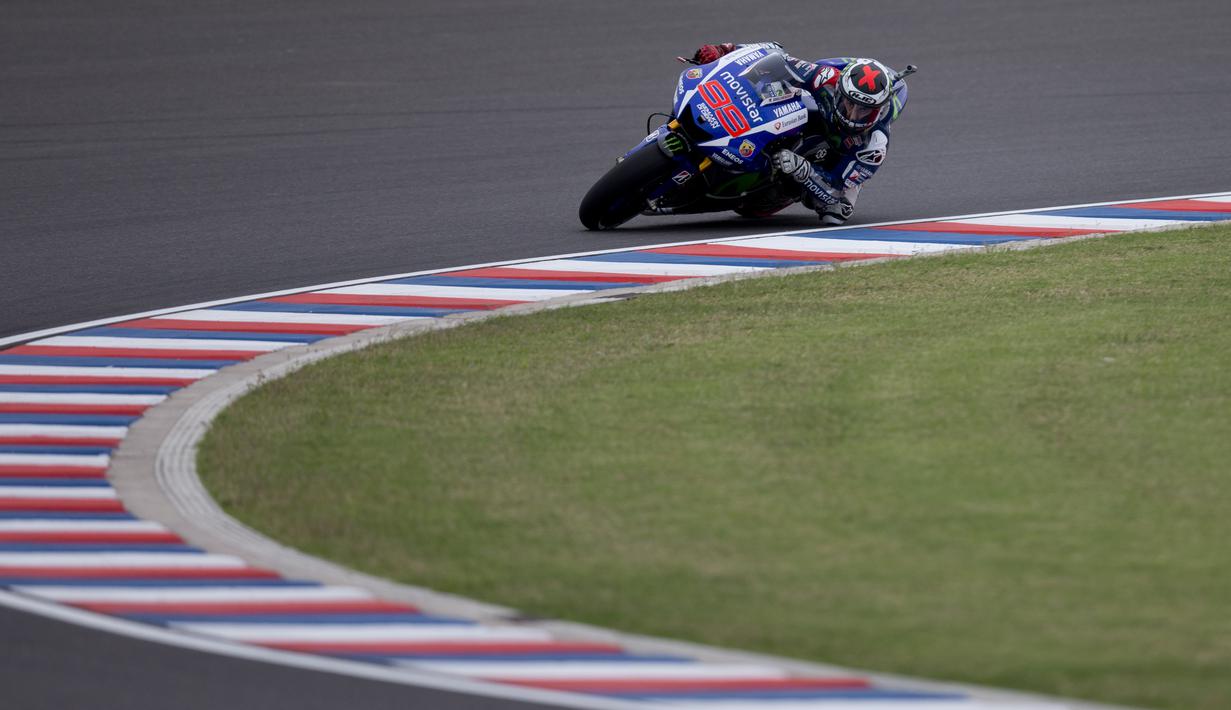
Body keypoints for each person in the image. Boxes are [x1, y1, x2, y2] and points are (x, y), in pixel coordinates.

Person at [690, 42, 910, 225]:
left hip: (839, 163)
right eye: (848, 104)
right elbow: (774, 56)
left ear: (878, 111)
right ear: (839, 91)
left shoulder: (874, 145)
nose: (853, 115)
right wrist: (725, 51)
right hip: (817, 117)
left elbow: (836, 189)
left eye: (864, 110)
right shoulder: (826, 77)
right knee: (773, 88)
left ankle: (785, 184)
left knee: (835, 213)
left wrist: (804, 170)